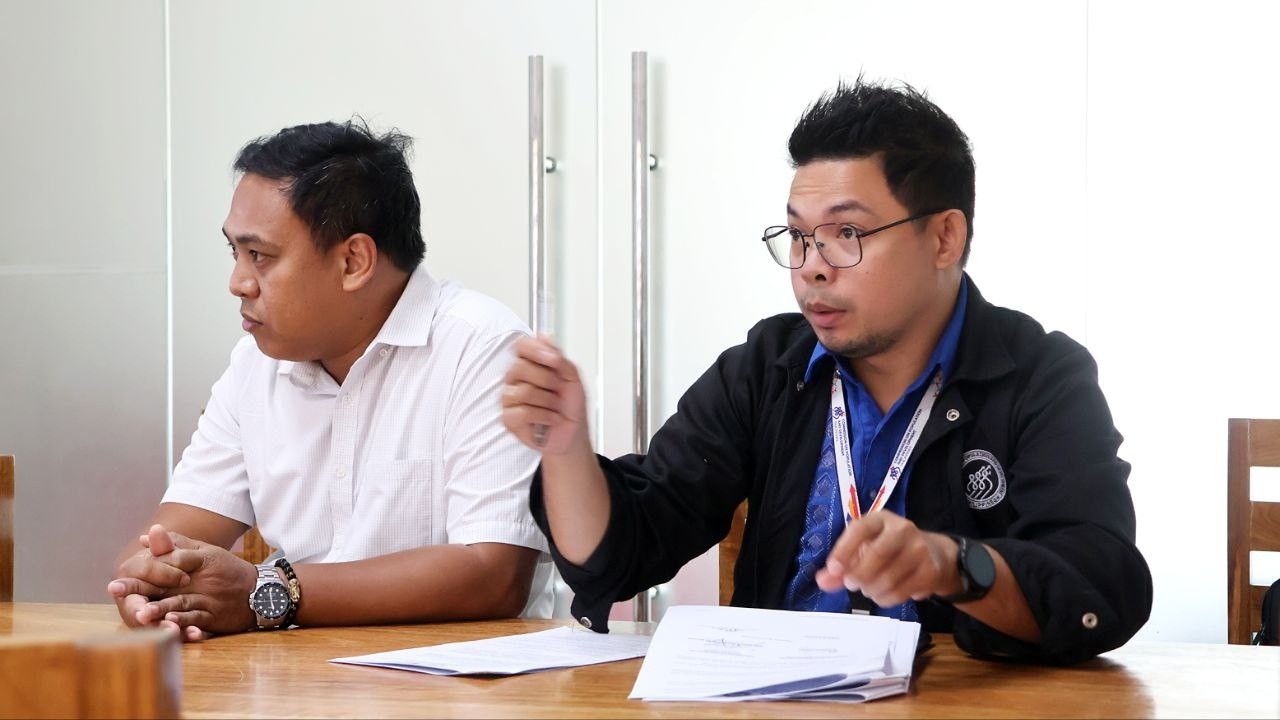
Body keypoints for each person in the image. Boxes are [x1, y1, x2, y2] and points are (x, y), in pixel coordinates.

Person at [501, 78, 1152, 664]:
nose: (811, 266)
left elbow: (1099, 583)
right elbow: (621, 552)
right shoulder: (767, 368)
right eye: (798, 236)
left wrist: (953, 565)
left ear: (944, 238)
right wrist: (566, 450)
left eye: (847, 234)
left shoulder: (1039, 377)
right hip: (772, 702)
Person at [109, 120, 551, 640]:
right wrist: (150, 584)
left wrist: (266, 593)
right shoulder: (255, 363)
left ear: (353, 261)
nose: (238, 283)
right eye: (235, 253)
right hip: (293, 672)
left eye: (260, 256)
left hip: (456, 676)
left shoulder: (482, 348)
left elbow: (494, 574)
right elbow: (167, 538)